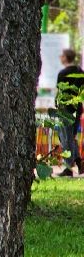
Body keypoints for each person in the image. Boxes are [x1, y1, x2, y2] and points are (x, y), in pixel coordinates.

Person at [54, 48, 83, 177]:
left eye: (62, 55)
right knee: (71, 136)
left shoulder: (63, 73)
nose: (60, 57)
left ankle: (68, 168)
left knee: (65, 138)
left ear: (66, 58)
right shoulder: (80, 72)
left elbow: (60, 92)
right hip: (77, 107)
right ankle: (79, 161)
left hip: (65, 108)